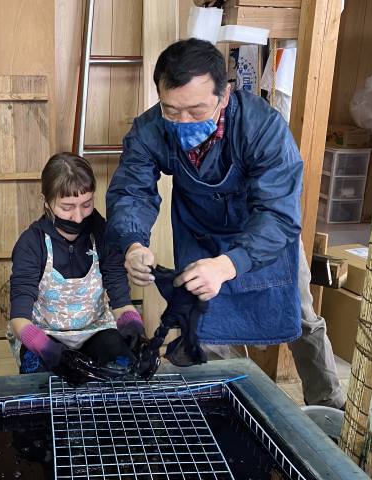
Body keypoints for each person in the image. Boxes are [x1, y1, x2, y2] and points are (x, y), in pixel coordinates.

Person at [106, 38, 344, 408]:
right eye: (172, 110)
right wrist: (133, 242)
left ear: (225, 94)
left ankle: (330, 408)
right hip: (201, 234)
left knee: (300, 318)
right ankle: (223, 412)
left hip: (264, 235)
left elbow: (279, 213)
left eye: (196, 111)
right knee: (206, 329)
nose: (182, 122)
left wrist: (230, 264)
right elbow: (131, 191)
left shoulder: (263, 127)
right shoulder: (151, 127)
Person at [7, 153, 147, 385]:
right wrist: (49, 350)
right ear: (46, 200)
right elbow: (19, 319)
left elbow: (121, 301)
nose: (79, 216)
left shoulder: (103, 234)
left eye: (87, 204)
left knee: (123, 366)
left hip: (96, 329)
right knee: (39, 376)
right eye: (67, 207)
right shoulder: (31, 243)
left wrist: (136, 331)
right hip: (45, 333)